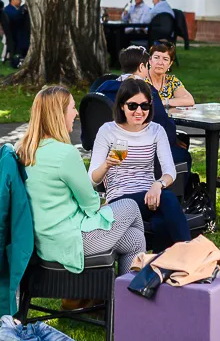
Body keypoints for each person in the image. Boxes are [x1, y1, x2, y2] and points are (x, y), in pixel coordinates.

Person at [18, 85, 146, 274]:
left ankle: (122, 296)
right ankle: (133, 295)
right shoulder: (65, 154)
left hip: (43, 240)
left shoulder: (23, 149)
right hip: (72, 242)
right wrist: (102, 204)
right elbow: (90, 204)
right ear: (58, 114)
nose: (76, 113)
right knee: (130, 206)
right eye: (72, 107)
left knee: (135, 239)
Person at [90, 78, 191, 251]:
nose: (139, 111)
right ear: (122, 105)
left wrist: (158, 185)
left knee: (162, 220)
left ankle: (159, 268)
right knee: (168, 199)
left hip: (151, 195)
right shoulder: (108, 131)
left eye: (144, 106)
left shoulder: (156, 130)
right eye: (132, 106)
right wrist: (107, 165)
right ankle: (192, 254)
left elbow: (170, 171)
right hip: (120, 200)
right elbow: (92, 179)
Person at [94, 45, 192, 178]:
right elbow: (164, 126)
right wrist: (174, 140)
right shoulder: (146, 92)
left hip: (109, 151)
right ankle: (174, 192)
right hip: (138, 153)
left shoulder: (103, 87)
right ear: (141, 67)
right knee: (183, 154)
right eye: (147, 65)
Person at [145, 40, 194, 108]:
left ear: (170, 64)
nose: (160, 63)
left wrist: (164, 102)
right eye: (156, 58)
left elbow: (189, 100)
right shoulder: (140, 81)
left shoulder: (171, 81)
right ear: (150, 60)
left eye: (165, 59)